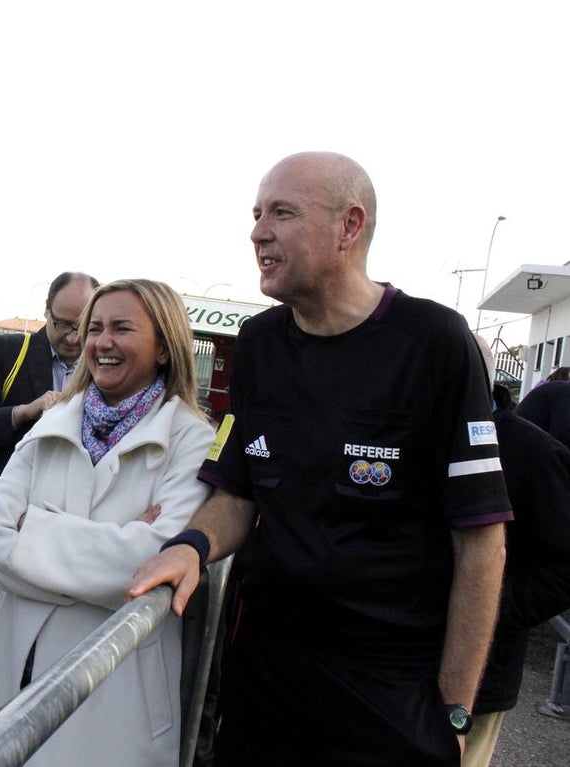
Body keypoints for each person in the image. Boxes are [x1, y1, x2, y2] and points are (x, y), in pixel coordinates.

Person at [129, 151, 511, 765]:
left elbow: (481, 540)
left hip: (389, 691)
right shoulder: (258, 345)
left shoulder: (436, 343)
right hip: (266, 678)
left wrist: (455, 710)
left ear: (349, 226)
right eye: (256, 214)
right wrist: (191, 545)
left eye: (282, 212)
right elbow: (238, 494)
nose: (258, 231)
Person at [0, 278, 216, 765]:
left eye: (122, 328)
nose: (101, 342)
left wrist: (31, 529)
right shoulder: (52, 422)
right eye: (94, 327)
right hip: (13, 680)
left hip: (114, 707)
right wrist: (112, 547)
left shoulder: (192, 441)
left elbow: (147, 566)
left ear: (164, 346)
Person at [0, 270, 98, 743]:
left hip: (69, 530)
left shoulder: (106, 359)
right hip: (5, 525)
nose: (73, 338)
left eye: (84, 325)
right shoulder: (9, 352)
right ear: (46, 314)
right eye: (63, 325)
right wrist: (26, 412)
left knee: (54, 646)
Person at [462, 337, 570, 767]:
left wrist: (481, 612)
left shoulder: (534, 454)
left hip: (481, 679)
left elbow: (562, 568)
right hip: (392, 667)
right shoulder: (415, 437)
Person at [515, 375, 570, 450]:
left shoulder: (561, 390)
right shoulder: (565, 392)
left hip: (522, 441)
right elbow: (563, 435)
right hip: (522, 445)